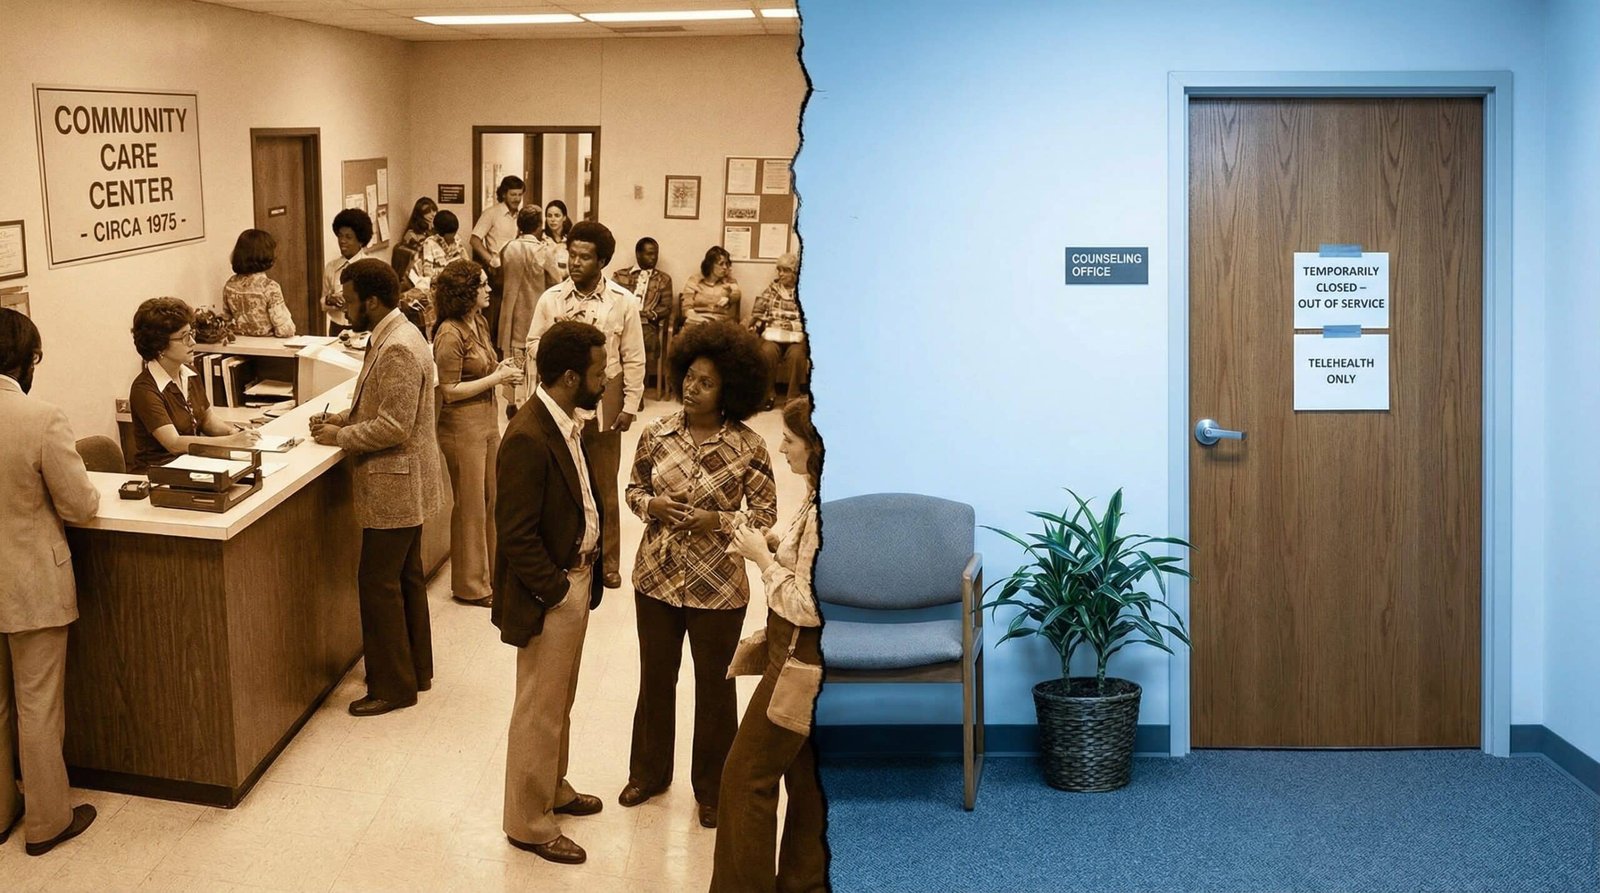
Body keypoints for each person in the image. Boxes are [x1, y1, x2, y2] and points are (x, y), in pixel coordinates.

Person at [620, 321, 776, 829]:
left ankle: (712, 788)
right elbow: (633, 490)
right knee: (654, 678)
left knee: (715, 689)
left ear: (729, 388)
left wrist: (719, 520)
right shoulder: (655, 434)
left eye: (705, 382)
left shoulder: (750, 446)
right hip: (657, 579)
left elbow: (768, 516)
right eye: (688, 377)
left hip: (719, 587)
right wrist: (653, 505)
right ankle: (647, 773)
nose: (692, 388)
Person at [494, 320, 609, 866]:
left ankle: (553, 787)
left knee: (559, 700)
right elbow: (514, 533)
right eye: (597, 371)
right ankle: (529, 822)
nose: (605, 380)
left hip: (575, 581)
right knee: (539, 707)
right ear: (569, 377)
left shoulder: (564, 421)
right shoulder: (527, 435)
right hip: (552, 593)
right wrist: (558, 590)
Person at [310, 259, 442, 717]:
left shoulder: (399, 346)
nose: (344, 310)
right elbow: (379, 403)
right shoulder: (394, 334)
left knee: (377, 582)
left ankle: (392, 686)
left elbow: (393, 425)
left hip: (395, 482)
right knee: (404, 577)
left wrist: (341, 437)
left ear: (372, 300)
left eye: (348, 302)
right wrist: (341, 419)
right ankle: (414, 670)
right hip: (403, 482)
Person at [711, 395, 827, 892]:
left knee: (745, 780)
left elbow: (807, 603)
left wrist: (761, 559)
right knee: (805, 782)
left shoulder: (824, 513)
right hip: (811, 662)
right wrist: (779, 546)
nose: (781, 447)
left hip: (798, 660)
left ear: (815, 447)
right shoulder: (820, 496)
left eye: (791, 439)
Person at [0, 309, 101, 857]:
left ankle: (1, 813)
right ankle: (46, 822)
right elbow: (80, 505)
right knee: (37, 704)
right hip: (31, 581)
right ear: (24, 359)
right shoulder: (40, 418)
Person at [524, 220, 645, 591]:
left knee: (604, 484)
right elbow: (531, 344)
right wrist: (559, 349)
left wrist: (631, 403)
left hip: (603, 400)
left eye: (584, 257)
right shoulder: (552, 299)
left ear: (602, 261)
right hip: (562, 401)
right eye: (571, 255)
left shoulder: (622, 302)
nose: (574, 263)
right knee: (561, 482)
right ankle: (564, 551)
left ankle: (608, 563)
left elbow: (634, 356)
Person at [432, 260, 522, 608]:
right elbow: (450, 389)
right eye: (482, 285)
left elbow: (483, 368)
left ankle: (494, 575)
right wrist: (497, 378)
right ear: (465, 292)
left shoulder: (478, 322)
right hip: (461, 425)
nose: (488, 289)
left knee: (492, 497)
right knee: (470, 505)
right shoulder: (449, 333)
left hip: (485, 418)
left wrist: (501, 370)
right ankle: (471, 585)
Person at [126, 297, 259, 473]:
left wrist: (233, 432)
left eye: (191, 334)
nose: (193, 343)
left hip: (193, 466)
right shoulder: (144, 389)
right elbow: (174, 443)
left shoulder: (190, 372)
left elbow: (207, 420)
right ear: (160, 345)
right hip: (160, 473)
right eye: (184, 337)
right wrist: (230, 443)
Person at [497, 206, 550, 414]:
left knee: (513, 354)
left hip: (511, 311)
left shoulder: (508, 248)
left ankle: (511, 402)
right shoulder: (542, 251)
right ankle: (532, 400)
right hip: (535, 308)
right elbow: (556, 279)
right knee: (534, 356)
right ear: (539, 226)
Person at [611, 237, 674, 395]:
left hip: (646, 323)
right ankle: (618, 388)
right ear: (638, 254)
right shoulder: (620, 276)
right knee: (609, 336)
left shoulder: (664, 280)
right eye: (649, 254)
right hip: (621, 320)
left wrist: (650, 314)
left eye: (656, 254)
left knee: (639, 340)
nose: (654, 258)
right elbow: (611, 300)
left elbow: (666, 307)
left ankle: (634, 391)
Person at [748, 252, 807, 408]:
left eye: (785, 270)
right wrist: (759, 321)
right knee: (767, 352)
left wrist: (793, 325)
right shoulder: (771, 290)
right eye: (779, 270)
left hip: (796, 336)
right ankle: (768, 395)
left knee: (797, 355)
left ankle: (792, 397)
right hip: (774, 333)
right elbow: (757, 312)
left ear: (795, 272)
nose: (780, 274)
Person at [471, 176, 524, 348]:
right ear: (503, 194)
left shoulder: (521, 216)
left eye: (519, 195)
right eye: (513, 194)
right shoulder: (492, 213)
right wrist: (490, 260)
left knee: (512, 316)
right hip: (497, 272)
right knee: (493, 317)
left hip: (516, 271)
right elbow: (474, 240)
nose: (517, 199)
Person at [221, 229, 296, 337]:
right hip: (268, 348)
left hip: (241, 346)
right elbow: (286, 330)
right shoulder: (269, 287)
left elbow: (226, 321)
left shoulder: (230, 285)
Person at [321, 208, 376, 336]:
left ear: (360, 241)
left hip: (363, 329)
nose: (342, 241)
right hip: (336, 329)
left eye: (348, 237)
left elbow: (376, 304)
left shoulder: (370, 267)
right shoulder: (331, 267)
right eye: (340, 236)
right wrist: (330, 299)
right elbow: (322, 303)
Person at [679, 246, 741, 331]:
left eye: (727, 264)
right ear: (710, 265)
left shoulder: (729, 281)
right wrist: (703, 322)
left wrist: (728, 298)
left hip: (720, 324)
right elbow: (687, 308)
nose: (725, 267)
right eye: (721, 263)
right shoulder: (695, 280)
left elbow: (736, 293)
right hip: (697, 322)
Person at [410, 209, 468, 293]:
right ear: (441, 233)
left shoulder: (457, 240)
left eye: (455, 232)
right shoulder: (429, 243)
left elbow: (466, 261)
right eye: (451, 234)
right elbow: (428, 273)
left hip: (459, 284)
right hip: (440, 286)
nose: (454, 236)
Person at [393, 196, 438, 283]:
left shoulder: (433, 231)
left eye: (434, 210)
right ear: (420, 213)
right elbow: (417, 256)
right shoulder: (411, 234)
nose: (432, 214)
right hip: (417, 273)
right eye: (428, 212)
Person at [536, 200, 572, 290]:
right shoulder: (540, 238)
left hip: (566, 286)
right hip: (545, 288)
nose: (552, 219)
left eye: (557, 216)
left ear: (564, 218)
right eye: (549, 216)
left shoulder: (571, 240)